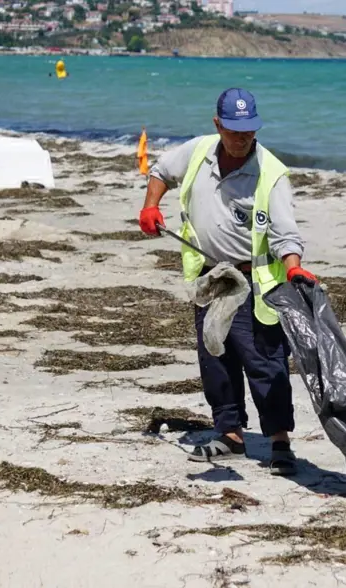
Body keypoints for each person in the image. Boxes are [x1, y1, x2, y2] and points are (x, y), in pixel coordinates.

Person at [138, 88, 317, 475]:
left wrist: (293, 267)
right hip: (210, 278)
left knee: (265, 362)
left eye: (249, 130)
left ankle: (280, 442)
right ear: (218, 124)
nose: (242, 138)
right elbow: (160, 172)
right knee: (214, 356)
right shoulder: (198, 151)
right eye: (234, 130)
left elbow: (286, 233)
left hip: (253, 282)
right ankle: (230, 434)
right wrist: (151, 206)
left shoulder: (271, 174)